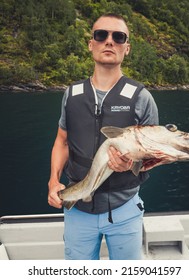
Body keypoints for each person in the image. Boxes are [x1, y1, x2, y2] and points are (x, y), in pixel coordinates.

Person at [48, 13, 159, 260]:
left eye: (118, 37)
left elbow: (151, 156)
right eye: (101, 35)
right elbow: (61, 141)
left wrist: (130, 164)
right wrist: (54, 181)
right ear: (91, 44)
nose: (109, 41)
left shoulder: (142, 98)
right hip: (77, 208)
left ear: (126, 48)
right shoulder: (71, 94)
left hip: (125, 209)